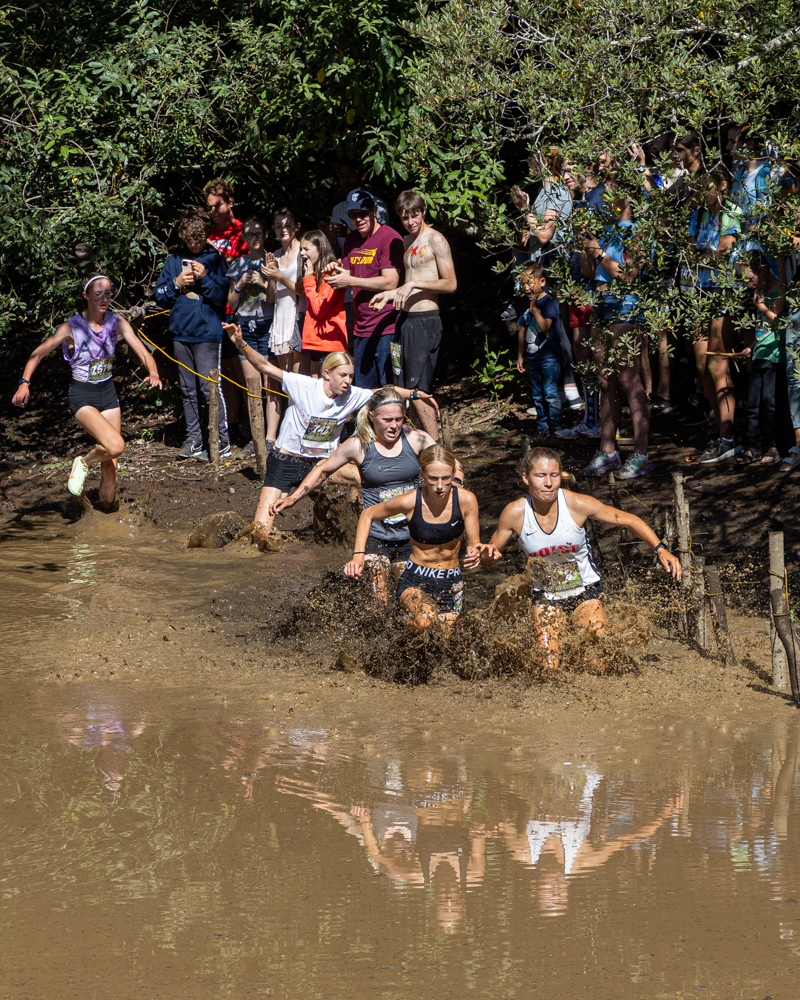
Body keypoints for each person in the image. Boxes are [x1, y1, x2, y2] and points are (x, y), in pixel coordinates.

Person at [222, 328, 438, 541]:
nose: (347, 381)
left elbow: (384, 390)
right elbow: (263, 366)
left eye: (351, 376)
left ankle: (356, 530)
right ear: (327, 373)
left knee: (362, 479)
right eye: (343, 375)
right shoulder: (303, 385)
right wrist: (241, 343)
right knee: (260, 531)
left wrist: (416, 394)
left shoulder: (353, 395)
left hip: (322, 463)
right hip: (286, 461)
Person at [482, 447, 681, 670]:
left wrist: (660, 548)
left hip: (586, 592)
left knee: (600, 664)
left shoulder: (576, 504)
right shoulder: (515, 513)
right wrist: (486, 556)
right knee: (548, 667)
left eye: (554, 476)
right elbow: (490, 556)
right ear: (526, 478)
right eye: (540, 476)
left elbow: (629, 520)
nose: (548, 483)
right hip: (546, 597)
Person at [272, 386, 451, 601]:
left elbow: (450, 463)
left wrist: (456, 488)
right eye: (387, 420)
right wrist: (293, 498)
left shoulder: (416, 439)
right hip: (375, 534)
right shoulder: (358, 445)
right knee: (380, 597)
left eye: (398, 419)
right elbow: (322, 470)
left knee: (412, 598)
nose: (394, 425)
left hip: (410, 536)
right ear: (372, 416)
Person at [11, 274, 162, 506]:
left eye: (108, 294)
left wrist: (153, 373)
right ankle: (83, 462)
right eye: (98, 295)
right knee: (116, 445)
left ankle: (105, 518)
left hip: (108, 393)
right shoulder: (71, 327)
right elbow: (38, 353)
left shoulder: (116, 322)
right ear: (86, 296)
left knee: (111, 467)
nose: (104, 299)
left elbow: (142, 352)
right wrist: (24, 382)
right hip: (82, 395)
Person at [344, 445, 489, 633]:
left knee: (447, 638)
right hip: (416, 578)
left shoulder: (466, 500)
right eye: (433, 478)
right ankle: (399, 641)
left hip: (451, 580)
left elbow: (474, 543)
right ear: (422, 474)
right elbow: (368, 514)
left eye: (446, 478)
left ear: (454, 473)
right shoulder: (410, 501)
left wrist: (477, 551)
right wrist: (358, 556)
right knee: (425, 619)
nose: (439, 486)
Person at [368, 190, 457, 436]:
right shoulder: (406, 242)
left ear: (423, 212)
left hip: (425, 320)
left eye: (414, 215)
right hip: (404, 320)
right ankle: (420, 445)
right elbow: (406, 285)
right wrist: (387, 295)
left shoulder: (435, 239)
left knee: (419, 388)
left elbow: (450, 283)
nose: (410, 222)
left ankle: (435, 453)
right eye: (405, 218)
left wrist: (414, 284)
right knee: (405, 388)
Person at [579, 195, 654, 480]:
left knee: (628, 380)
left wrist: (598, 253)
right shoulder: (607, 228)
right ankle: (608, 451)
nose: (606, 196)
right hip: (601, 307)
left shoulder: (635, 231)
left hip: (625, 308)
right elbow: (589, 272)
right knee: (605, 379)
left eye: (613, 189)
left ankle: (641, 455)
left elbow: (629, 276)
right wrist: (586, 253)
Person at [154, 210, 230, 460]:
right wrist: (176, 283)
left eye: (198, 239)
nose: (194, 244)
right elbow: (160, 295)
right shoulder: (174, 260)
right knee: (188, 390)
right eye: (189, 240)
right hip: (181, 333)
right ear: (183, 237)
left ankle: (220, 440)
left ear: (206, 236)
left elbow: (222, 298)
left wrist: (205, 277)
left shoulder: (215, 259)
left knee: (210, 388)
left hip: (208, 333)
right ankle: (194, 439)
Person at [681, 167, 744, 464]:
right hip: (697, 293)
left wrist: (699, 254)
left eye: (706, 187)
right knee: (702, 363)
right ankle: (718, 429)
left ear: (722, 185)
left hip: (721, 293)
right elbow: (691, 250)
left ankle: (728, 437)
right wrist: (700, 254)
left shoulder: (731, 212)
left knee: (719, 366)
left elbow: (722, 252)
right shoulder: (699, 215)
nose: (701, 192)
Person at [326, 189, 405, 388]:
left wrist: (351, 280)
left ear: (374, 211)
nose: (359, 219)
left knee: (390, 389)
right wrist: (333, 269)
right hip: (361, 328)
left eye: (363, 213)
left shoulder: (388, 237)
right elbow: (345, 273)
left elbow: (390, 282)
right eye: (353, 215)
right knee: (364, 392)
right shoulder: (351, 241)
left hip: (387, 326)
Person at [227, 216, 273, 455]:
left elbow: (277, 297)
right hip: (245, 327)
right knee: (251, 385)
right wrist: (238, 285)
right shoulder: (238, 265)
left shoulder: (273, 259)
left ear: (265, 235)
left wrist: (264, 281)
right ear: (243, 239)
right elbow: (231, 304)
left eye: (258, 234)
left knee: (269, 383)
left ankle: (270, 437)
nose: (254, 239)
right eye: (248, 235)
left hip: (268, 326)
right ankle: (256, 436)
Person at [263, 206, 306, 442]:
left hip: (296, 316)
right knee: (285, 382)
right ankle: (285, 436)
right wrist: (272, 278)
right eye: (279, 226)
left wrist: (280, 276)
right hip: (279, 317)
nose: (283, 230)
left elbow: (304, 289)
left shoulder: (304, 251)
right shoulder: (276, 254)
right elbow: (271, 296)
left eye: (288, 225)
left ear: (297, 226)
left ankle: (296, 435)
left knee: (297, 382)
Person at [738, 254, 783, 465]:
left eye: (750, 278)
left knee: (771, 403)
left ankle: (774, 445)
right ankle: (753, 446)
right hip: (759, 354)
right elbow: (762, 329)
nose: (748, 284)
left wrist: (763, 308)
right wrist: (751, 347)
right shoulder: (760, 294)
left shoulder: (780, 292)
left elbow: (781, 324)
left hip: (775, 356)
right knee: (753, 404)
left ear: (763, 270)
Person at [516, 262, 563, 438]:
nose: (527, 288)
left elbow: (545, 327)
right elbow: (522, 330)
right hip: (533, 357)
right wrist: (520, 355)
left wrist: (534, 309)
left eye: (530, 283)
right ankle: (542, 427)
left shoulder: (548, 303)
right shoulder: (524, 305)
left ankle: (557, 426)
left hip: (549, 358)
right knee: (537, 395)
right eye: (523, 284)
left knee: (550, 393)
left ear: (542, 281)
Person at [299, 229, 348, 372]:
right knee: (316, 388)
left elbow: (319, 309)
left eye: (306, 249)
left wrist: (308, 280)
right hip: (317, 341)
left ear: (321, 250)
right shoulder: (313, 273)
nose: (302, 253)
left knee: (327, 390)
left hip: (329, 343)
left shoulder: (331, 273)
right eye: (301, 249)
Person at [204, 178, 249, 262]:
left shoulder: (243, 231)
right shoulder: (207, 233)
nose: (213, 211)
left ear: (231, 203)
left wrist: (213, 248)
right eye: (210, 206)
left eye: (218, 205)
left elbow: (242, 266)